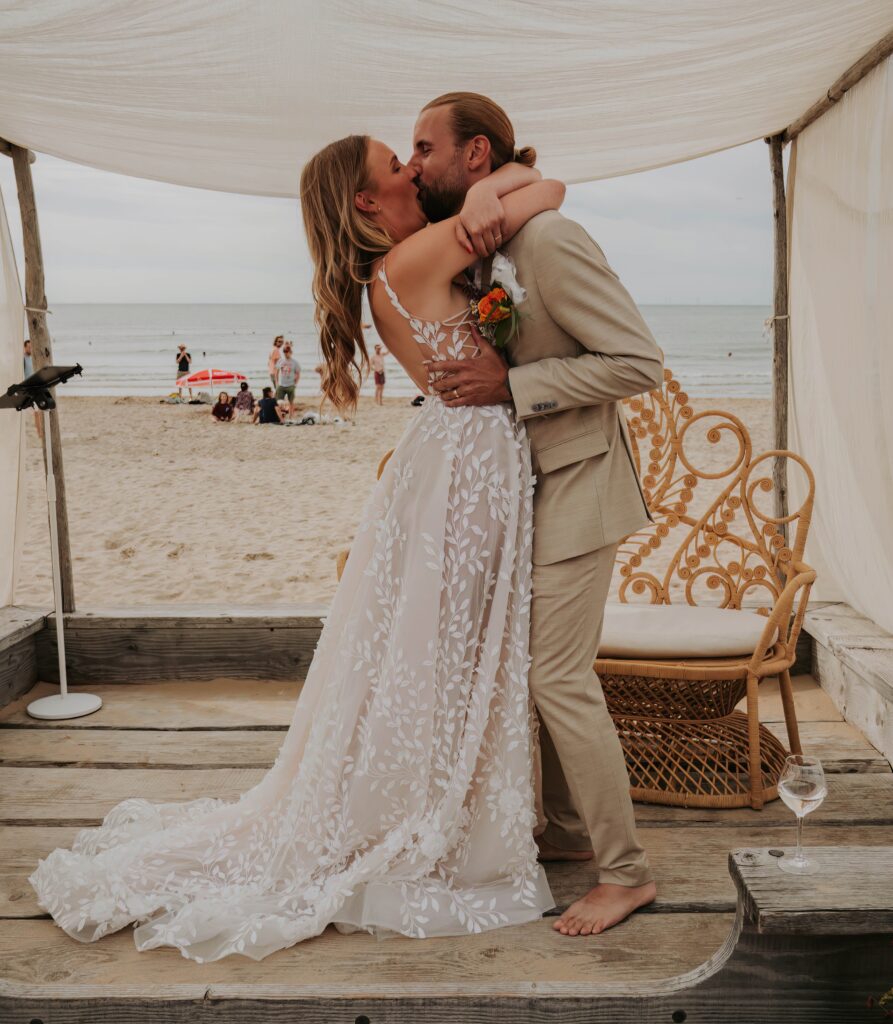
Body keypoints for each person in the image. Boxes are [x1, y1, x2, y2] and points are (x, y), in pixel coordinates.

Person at [29, 129, 570, 962]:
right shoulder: (420, 254)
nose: (412, 170)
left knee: (434, 645)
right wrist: (492, 190)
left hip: (456, 463)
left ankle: (443, 796)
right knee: (446, 646)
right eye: (397, 165)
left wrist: (476, 199)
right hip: (464, 468)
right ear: (364, 199)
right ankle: (431, 811)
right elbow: (551, 189)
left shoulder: (394, 267)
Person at [411, 92, 662, 938]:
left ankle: (624, 874)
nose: (415, 164)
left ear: (475, 154)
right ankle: (560, 831)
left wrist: (513, 386)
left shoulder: (549, 241)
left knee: (556, 676)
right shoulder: (493, 242)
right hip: (530, 491)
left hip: (582, 484)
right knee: (531, 670)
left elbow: (636, 361)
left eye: (423, 147)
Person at [22, 339, 42, 439]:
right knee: (24, 413)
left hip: (34, 389)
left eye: (31, 347)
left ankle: (40, 433)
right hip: (25, 390)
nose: (30, 349)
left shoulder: (34, 358)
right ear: (24, 347)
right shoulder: (23, 359)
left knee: (37, 412)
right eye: (28, 347)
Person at [275, 342, 300, 419]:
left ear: (291, 352)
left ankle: (290, 417)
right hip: (281, 385)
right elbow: (276, 372)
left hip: (290, 385)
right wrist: (276, 382)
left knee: (291, 402)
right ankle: (280, 416)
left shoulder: (295, 362)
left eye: (287, 352)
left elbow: (297, 373)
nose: (286, 353)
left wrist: (295, 384)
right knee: (279, 402)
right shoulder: (280, 361)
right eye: (285, 352)